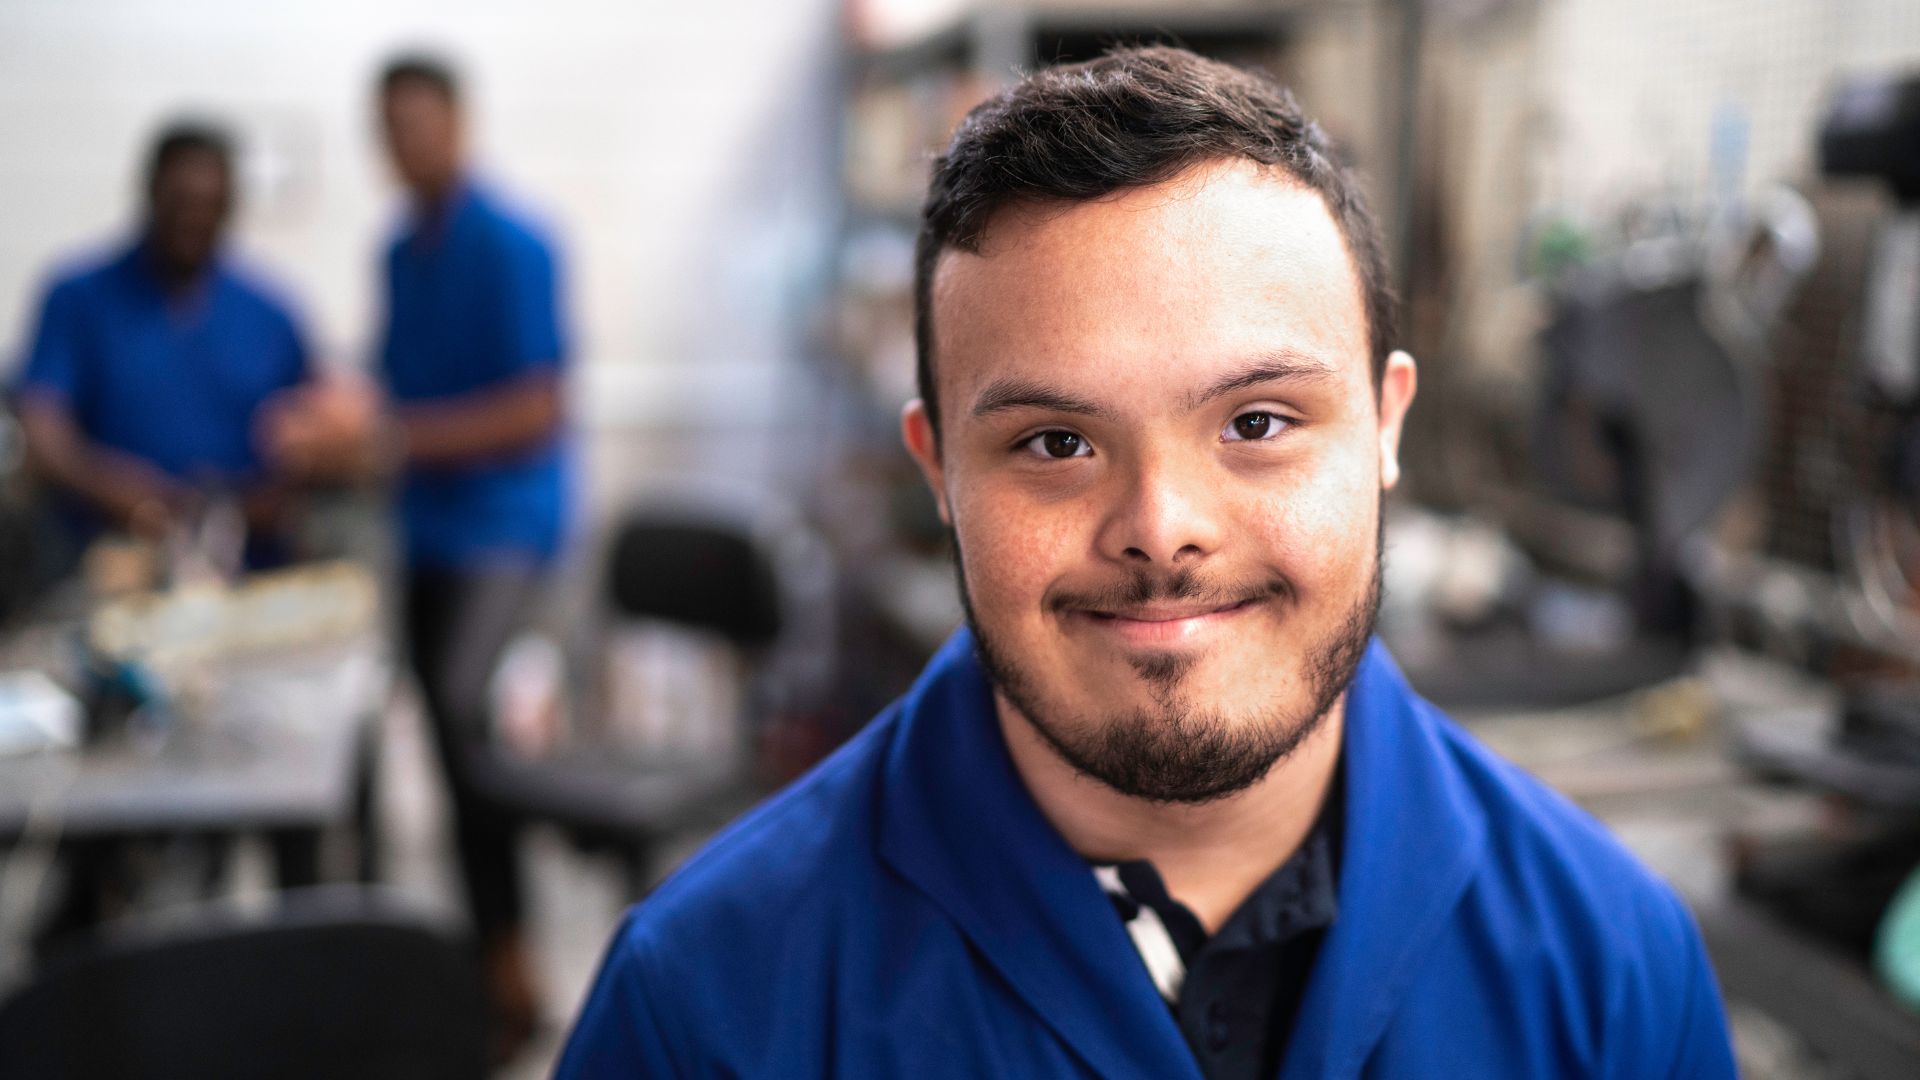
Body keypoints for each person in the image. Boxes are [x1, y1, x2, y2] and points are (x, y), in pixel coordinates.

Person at [558, 47, 1736, 1079]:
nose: (1163, 527)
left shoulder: (1614, 973)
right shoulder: (707, 1008)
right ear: (937, 472)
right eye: (1055, 443)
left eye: (1259, 423)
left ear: (1385, 426)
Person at [264, 53, 568, 1060]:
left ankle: (513, 967)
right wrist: (331, 417)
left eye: (422, 123)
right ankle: (419, 962)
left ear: (459, 124)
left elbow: (536, 408)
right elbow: (391, 384)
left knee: (466, 722)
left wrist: (389, 440)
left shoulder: (514, 244)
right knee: (408, 731)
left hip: (506, 530)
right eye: (389, 127)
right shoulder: (399, 249)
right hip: (428, 528)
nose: (407, 144)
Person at [12, 122, 310, 570]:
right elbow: (41, 423)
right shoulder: (80, 298)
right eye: (181, 202)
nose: (194, 218)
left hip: (245, 568)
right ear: (149, 193)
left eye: (211, 205)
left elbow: (316, 428)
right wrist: (110, 488)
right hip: (103, 564)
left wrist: (261, 499)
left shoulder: (270, 313)